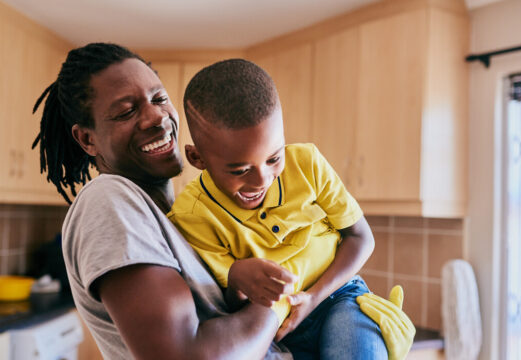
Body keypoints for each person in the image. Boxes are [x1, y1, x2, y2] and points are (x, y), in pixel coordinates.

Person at [33, 42, 413, 360]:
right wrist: (284, 289)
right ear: (87, 140)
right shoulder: (108, 201)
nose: (155, 117)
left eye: (159, 98)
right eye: (127, 111)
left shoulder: (178, 217)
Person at [168, 59, 415, 359]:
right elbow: (224, 307)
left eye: (274, 158)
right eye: (240, 169)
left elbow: (361, 237)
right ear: (197, 158)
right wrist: (235, 277)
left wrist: (312, 298)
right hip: (274, 328)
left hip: (338, 297)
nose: (261, 180)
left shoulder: (307, 163)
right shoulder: (192, 215)